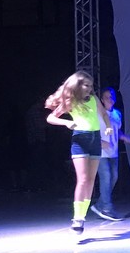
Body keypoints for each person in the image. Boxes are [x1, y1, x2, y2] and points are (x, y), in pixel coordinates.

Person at [45, 71, 110, 234]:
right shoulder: (71, 101)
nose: (89, 88)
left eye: (91, 86)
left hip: (95, 138)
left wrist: (108, 127)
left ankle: (82, 216)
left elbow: (103, 113)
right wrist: (66, 123)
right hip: (80, 139)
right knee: (83, 179)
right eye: (86, 85)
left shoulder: (94, 99)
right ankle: (77, 218)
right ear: (78, 86)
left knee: (91, 181)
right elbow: (51, 118)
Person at [92, 87, 130, 221]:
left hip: (113, 152)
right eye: (107, 97)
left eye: (112, 96)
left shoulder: (117, 114)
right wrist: (100, 142)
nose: (110, 99)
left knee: (113, 178)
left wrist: (123, 136)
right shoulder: (98, 114)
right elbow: (91, 131)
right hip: (100, 152)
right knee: (106, 177)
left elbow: (117, 130)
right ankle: (107, 208)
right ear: (102, 100)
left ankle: (99, 205)